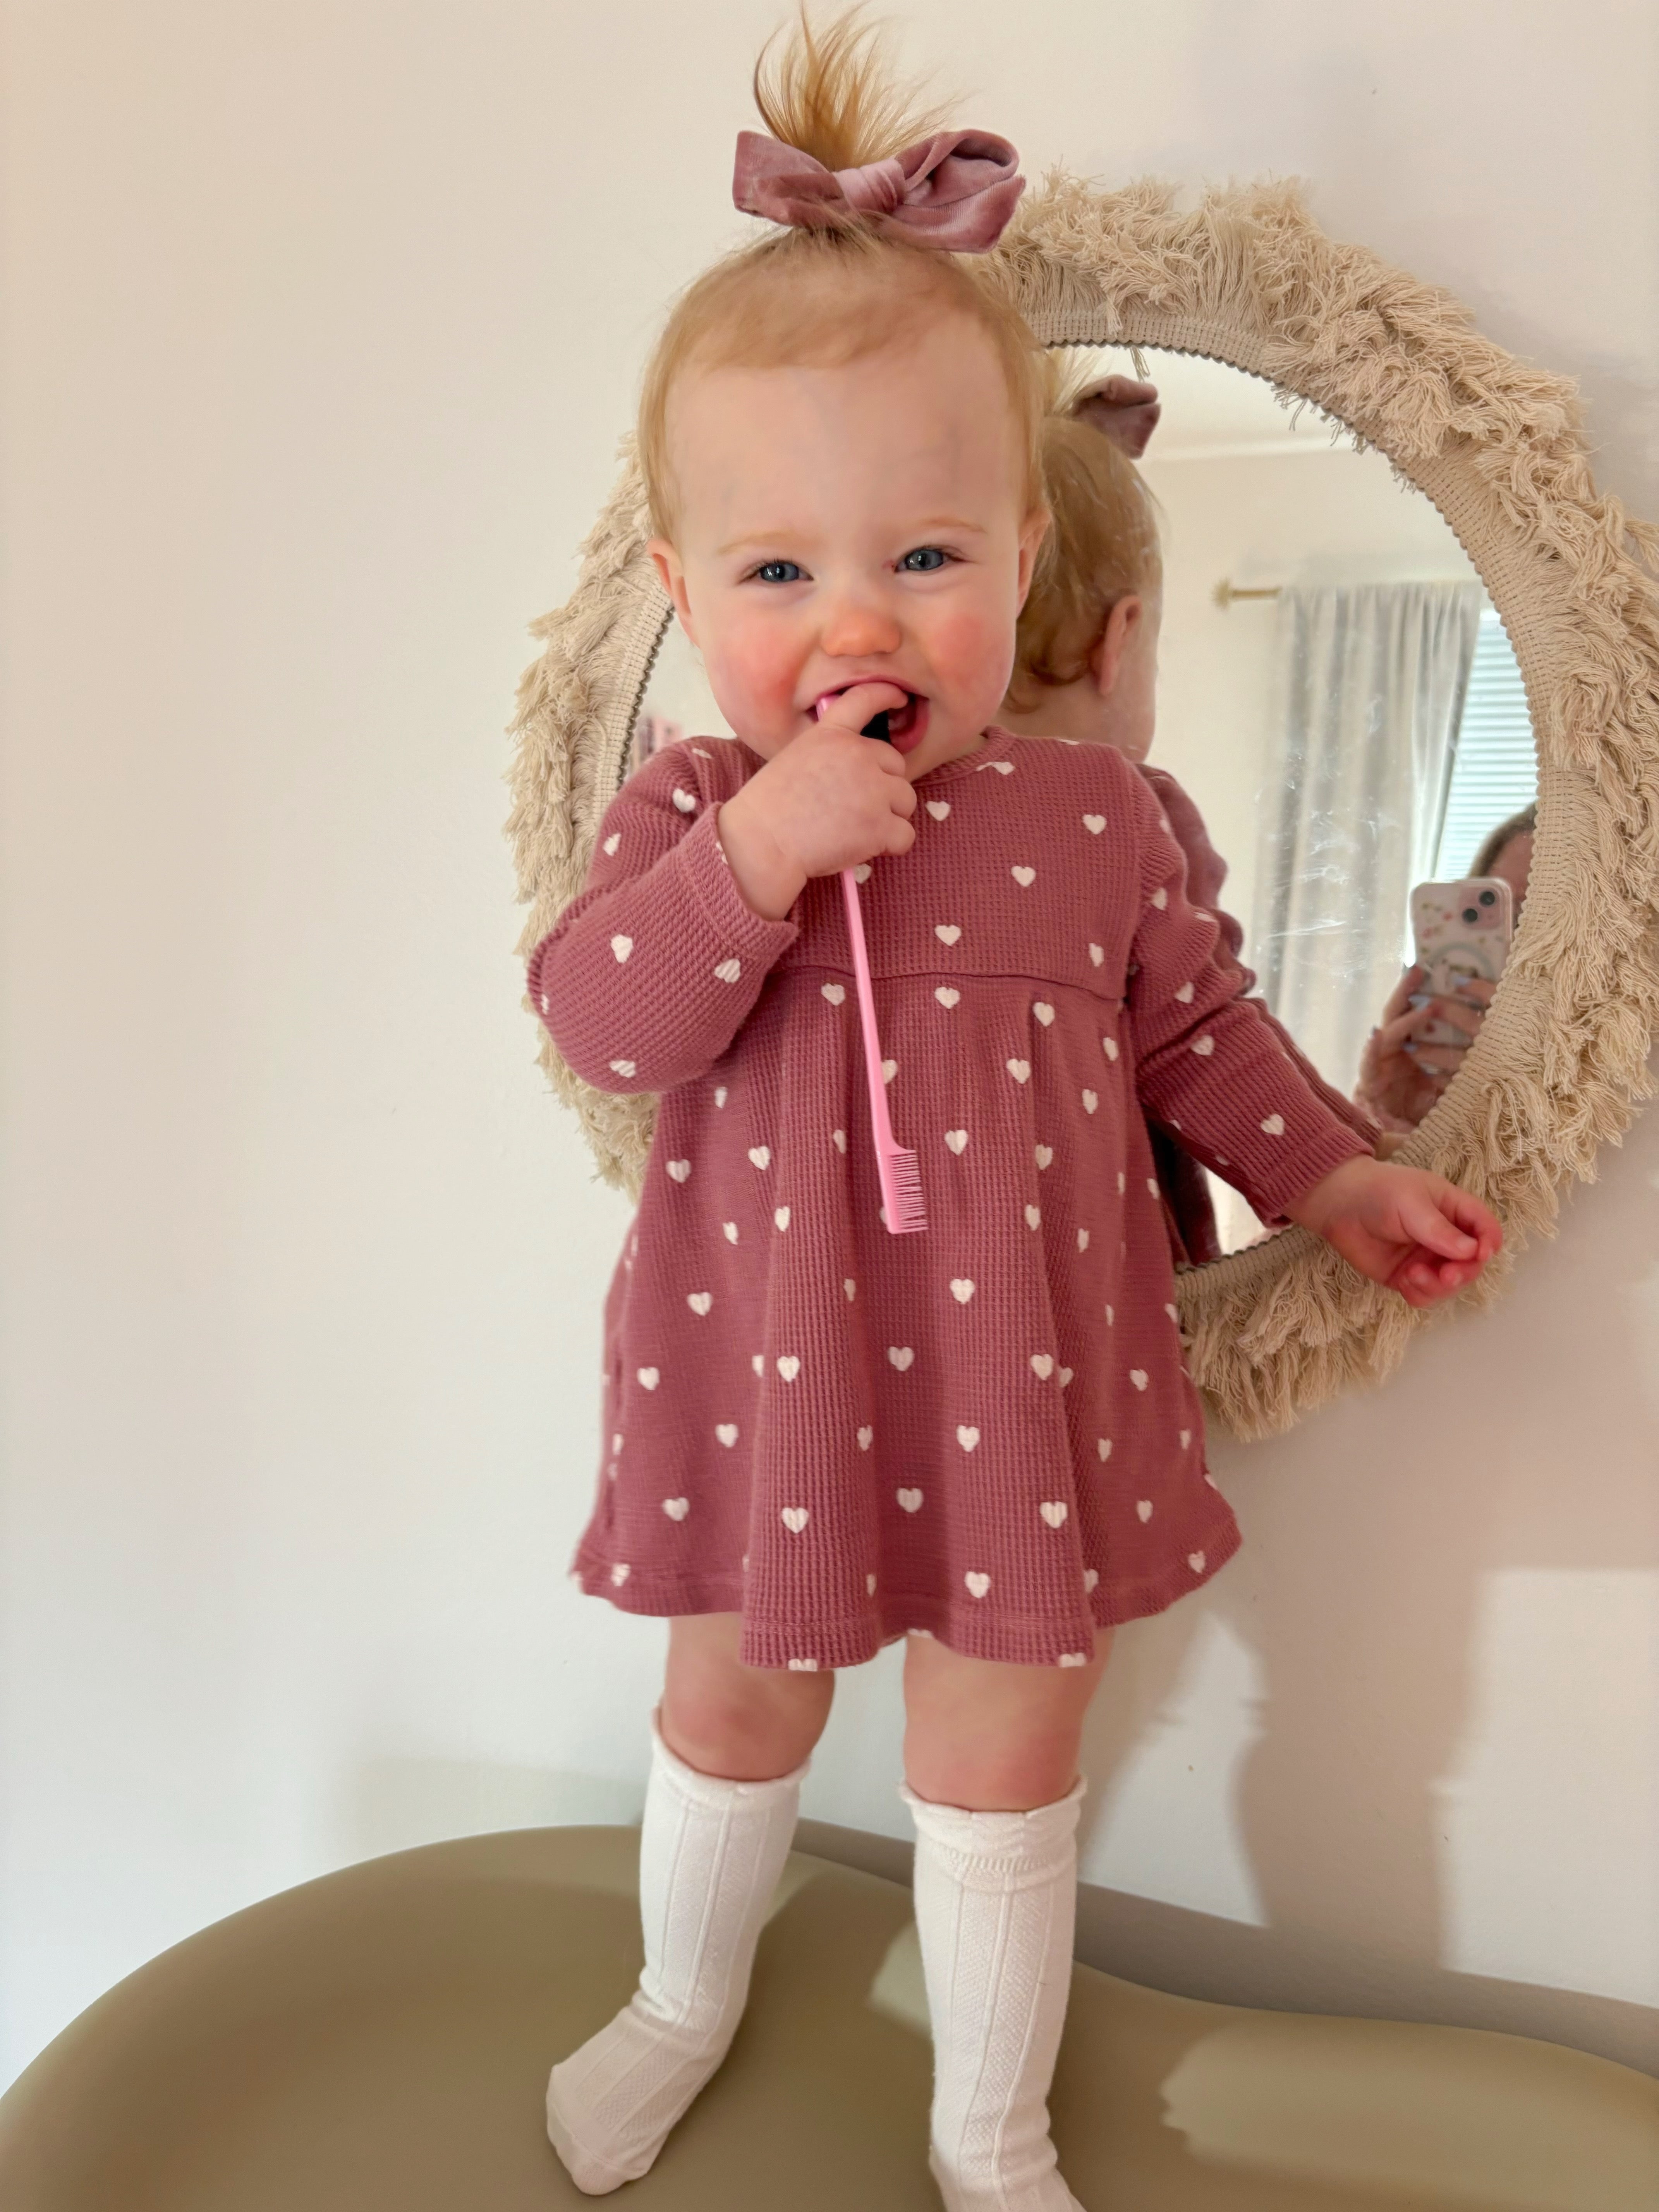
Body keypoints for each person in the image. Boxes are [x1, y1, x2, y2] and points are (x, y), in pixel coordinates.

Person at [526, 14, 1503, 2207]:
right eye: (777, 574)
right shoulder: (690, 798)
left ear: (1023, 570)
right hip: (770, 1379)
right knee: (736, 1711)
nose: (855, 616)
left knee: (1003, 1755)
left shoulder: (1090, 817)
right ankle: (681, 2000)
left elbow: (1206, 1039)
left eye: (927, 558)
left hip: (1022, 1386)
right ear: (684, 604)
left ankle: (989, 2124)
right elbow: (606, 1023)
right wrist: (764, 849)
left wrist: (1336, 1170)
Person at [997, 367, 1382, 1263]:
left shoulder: (877, 803)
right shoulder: (1139, 812)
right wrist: (1355, 1163)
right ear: (1120, 641)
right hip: (1114, 1241)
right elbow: (1217, 1036)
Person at [1353, 805, 1535, 1136]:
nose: (1510, 944)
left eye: (1532, 915)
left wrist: (1527, 1086)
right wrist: (1399, 1116)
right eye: (1495, 908)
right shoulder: (1436, 1070)